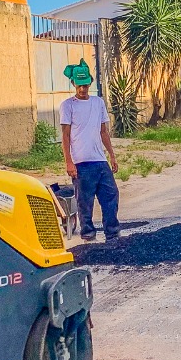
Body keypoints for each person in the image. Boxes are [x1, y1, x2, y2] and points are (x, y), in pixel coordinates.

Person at [59, 59, 120, 242]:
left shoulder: (98, 102)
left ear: (90, 83)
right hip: (81, 163)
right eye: (79, 86)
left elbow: (103, 131)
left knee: (111, 195)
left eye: (85, 85)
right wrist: (69, 161)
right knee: (84, 202)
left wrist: (112, 155)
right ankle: (88, 234)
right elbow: (65, 135)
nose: (82, 89)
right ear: (73, 84)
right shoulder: (67, 105)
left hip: (100, 160)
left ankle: (113, 233)